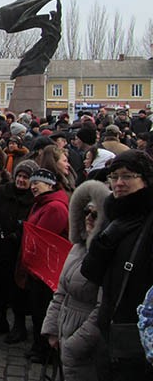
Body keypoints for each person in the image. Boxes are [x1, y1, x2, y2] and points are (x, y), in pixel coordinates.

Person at [82, 150, 153, 380]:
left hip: (138, 332)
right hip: (110, 325)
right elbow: (91, 272)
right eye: (114, 177)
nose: (119, 183)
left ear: (145, 179)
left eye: (127, 176)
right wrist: (98, 240)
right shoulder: (113, 213)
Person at [41, 180, 109, 381]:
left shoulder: (106, 253)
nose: (88, 218)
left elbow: (103, 307)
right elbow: (61, 290)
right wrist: (52, 329)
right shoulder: (77, 247)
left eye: (95, 214)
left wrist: (73, 345)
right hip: (65, 328)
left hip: (85, 339)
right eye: (86, 212)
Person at [22, 168, 70, 363]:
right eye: (32, 183)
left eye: (37, 183)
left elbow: (42, 236)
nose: (33, 186)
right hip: (40, 267)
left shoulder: (54, 207)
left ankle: (45, 351)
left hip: (46, 268)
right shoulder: (41, 203)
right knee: (38, 309)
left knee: (43, 309)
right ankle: (39, 347)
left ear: (50, 185)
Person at [0, 160, 38, 345]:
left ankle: (19, 326)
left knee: (18, 289)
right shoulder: (2, 192)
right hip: (0, 247)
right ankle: (0, 320)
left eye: (26, 177)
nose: (21, 180)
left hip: (19, 250)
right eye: (19, 176)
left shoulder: (33, 198)